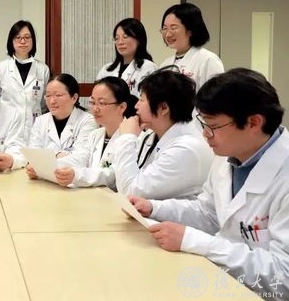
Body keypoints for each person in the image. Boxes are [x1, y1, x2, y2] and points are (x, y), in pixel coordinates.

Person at [131, 68, 288, 299]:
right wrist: (155, 208)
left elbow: (283, 277)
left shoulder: (283, 176)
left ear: (254, 122)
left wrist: (194, 241)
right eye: (204, 124)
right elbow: (209, 213)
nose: (205, 134)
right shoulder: (229, 156)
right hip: (224, 284)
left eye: (213, 127)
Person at [112, 68, 213, 199]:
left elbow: (130, 192)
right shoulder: (152, 135)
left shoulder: (185, 149)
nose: (136, 106)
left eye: (142, 100)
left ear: (163, 108)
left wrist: (126, 138)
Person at [40, 76, 137, 189]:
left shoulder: (132, 138)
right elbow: (80, 158)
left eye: (102, 103)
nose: (95, 109)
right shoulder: (96, 135)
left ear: (121, 107)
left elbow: (112, 174)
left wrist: (76, 175)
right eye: (92, 102)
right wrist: (44, 167)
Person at [25, 73, 97, 178]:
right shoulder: (41, 121)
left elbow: (81, 159)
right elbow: (34, 155)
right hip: (45, 181)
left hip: (72, 182)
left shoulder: (87, 121)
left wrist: (46, 161)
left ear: (74, 98)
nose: (51, 101)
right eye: (48, 96)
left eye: (58, 95)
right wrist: (59, 156)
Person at [0, 20, 50, 143]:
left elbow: (43, 103)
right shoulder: (1, 68)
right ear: (11, 41)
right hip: (7, 129)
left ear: (33, 40)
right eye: (18, 37)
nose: (23, 41)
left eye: (27, 37)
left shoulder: (42, 69)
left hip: (34, 128)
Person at [159, 2, 224, 90]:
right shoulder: (165, 64)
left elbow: (217, 95)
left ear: (190, 30)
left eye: (173, 28)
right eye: (165, 28)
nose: (168, 35)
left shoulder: (208, 60)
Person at [96, 18, 157, 97]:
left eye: (125, 37)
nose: (120, 42)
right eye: (117, 38)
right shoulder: (106, 70)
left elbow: (148, 99)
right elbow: (95, 98)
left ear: (139, 39)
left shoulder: (148, 68)